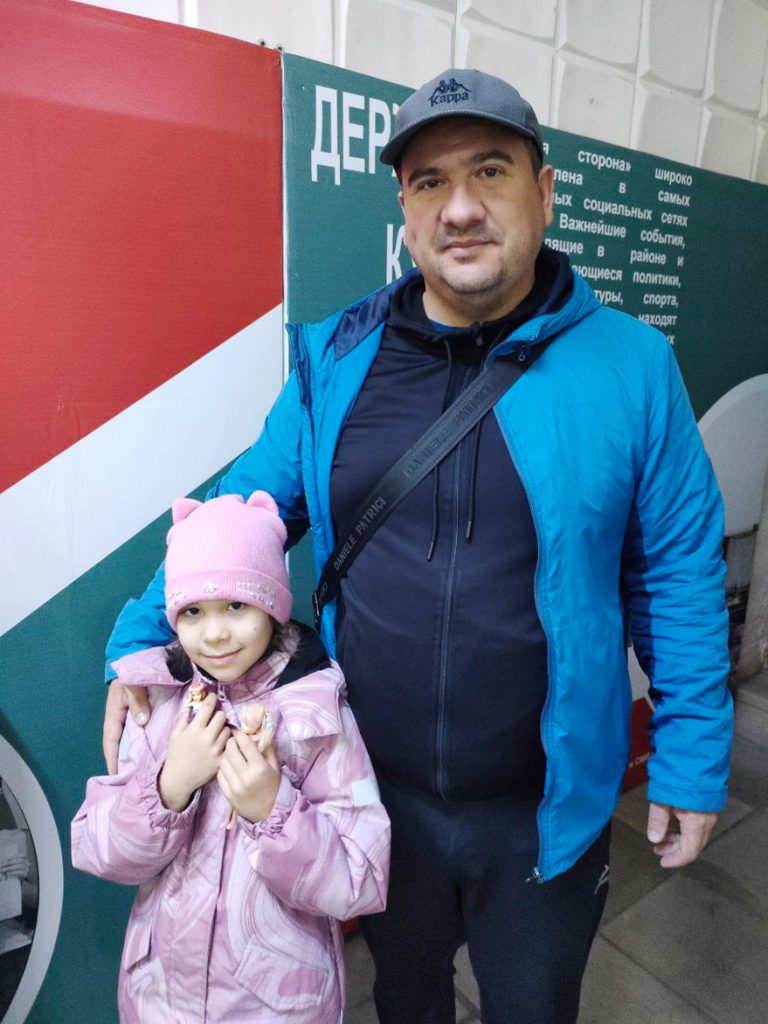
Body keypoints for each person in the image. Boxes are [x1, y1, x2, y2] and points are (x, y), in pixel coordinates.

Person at [100, 68, 733, 1024]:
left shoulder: (632, 367)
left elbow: (676, 571)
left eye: (490, 171)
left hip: (543, 812)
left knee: (533, 1007)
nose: (461, 207)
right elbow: (236, 519)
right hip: (367, 797)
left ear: (545, 191)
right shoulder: (337, 359)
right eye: (430, 181)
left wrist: (690, 756)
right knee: (405, 1002)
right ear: (404, 208)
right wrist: (139, 642)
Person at [74, 491, 390, 1023]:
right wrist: (168, 788)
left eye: (237, 606)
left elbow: (360, 881)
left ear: (272, 607)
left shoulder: (317, 715)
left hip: (277, 1007)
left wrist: (274, 810)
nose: (215, 632)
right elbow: (98, 850)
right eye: (193, 611)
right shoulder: (155, 699)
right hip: (161, 1003)